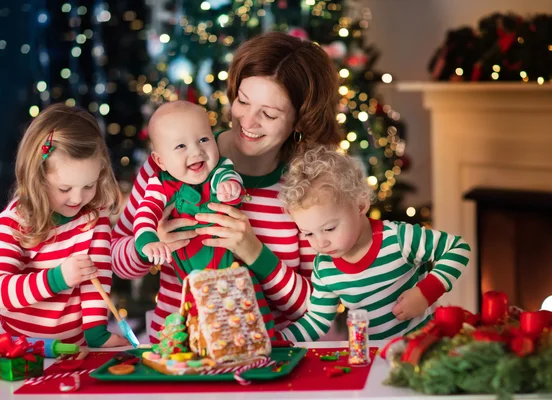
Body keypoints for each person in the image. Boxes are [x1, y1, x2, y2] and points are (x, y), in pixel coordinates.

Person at [111, 31, 343, 342]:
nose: (248, 121)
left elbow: (315, 308)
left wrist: (253, 250)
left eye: (269, 114)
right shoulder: (174, 159)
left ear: (301, 120)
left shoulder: (311, 186)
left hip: (267, 358)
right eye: (242, 102)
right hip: (177, 353)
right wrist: (151, 244)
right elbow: (116, 258)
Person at [275, 146, 471, 341]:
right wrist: (277, 341)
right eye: (308, 233)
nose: (321, 243)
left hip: (424, 348)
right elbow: (316, 320)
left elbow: (458, 248)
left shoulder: (398, 238)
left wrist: (425, 293)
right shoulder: (324, 268)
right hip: (376, 360)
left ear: (360, 206)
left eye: (329, 229)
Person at [0, 103, 129, 347]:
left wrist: (97, 335)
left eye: (88, 185)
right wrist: (57, 278)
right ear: (38, 177)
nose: (77, 199)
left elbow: (98, 279)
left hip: (74, 347)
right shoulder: (14, 221)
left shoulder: (94, 218)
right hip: (22, 349)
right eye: (64, 188)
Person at [133, 101, 276, 337]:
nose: (196, 151)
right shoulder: (159, 185)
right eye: (180, 146)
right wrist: (148, 240)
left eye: (203, 140)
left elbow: (230, 180)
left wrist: (230, 188)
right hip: (188, 281)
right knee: (190, 325)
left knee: (250, 302)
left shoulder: (220, 170)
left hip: (227, 270)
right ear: (160, 161)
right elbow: (145, 214)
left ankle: (266, 339)